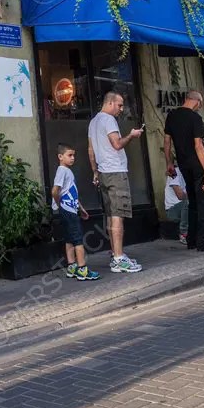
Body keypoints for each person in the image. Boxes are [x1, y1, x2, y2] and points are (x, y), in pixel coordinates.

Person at [88, 91, 144, 273]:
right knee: (118, 215)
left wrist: (95, 172)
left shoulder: (93, 122)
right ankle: (119, 259)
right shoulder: (108, 120)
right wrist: (132, 135)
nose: (121, 109)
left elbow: (91, 150)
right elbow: (117, 144)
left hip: (103, 172)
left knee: (111, 214)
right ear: (110, 103)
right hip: (116, 172)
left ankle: (115, 254)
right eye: (119, 105)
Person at [164, 91, 204, 253]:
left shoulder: (172, 116)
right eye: (200, 105)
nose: (199, 107)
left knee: (193, 203)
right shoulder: (195, 118)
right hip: (197, 165)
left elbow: (167, 142)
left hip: (183, 165)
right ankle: (203, 243)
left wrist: (169, 163)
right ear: (197, 102)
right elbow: (199, 146)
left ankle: (192, 241)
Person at [52, 144, 100, 281]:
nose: (73, 158)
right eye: (69, 155)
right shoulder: (62, 170)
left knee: (69, 238)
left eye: (73, 155)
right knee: (78, 239)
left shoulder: (66, 171)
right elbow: (55, 191)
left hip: (70, 209)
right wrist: (60, 203)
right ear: (60, 156)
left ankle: (72, 266)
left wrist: (80, 208)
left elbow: (71, 191)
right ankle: (82, 269)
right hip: (68, 210)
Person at [164, 163, 204, 245]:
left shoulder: (194, 174)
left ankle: (203, 232)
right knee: (189, 201)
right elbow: (180, 196)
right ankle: (184, 234)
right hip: (173, 210)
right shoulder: (175, 173)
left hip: (187, 206)